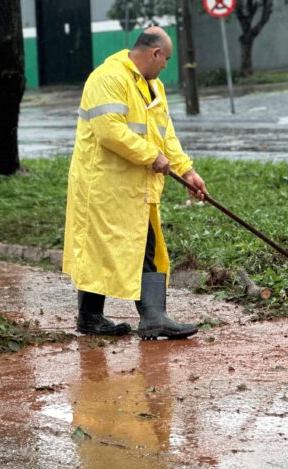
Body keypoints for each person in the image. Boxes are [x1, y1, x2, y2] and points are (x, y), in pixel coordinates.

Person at [63, 27, 207, 339]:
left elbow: (164, 135)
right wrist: (149, 156)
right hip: (104, 184)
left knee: (141, 244)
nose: (166, 66)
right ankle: (116, 318)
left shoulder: (152, 87)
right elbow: (109, 131)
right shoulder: (108, 78)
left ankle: (130, 317)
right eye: (166, 59)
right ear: (154, 53)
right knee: (104, 248)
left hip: (135, 186)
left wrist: (187, 172)